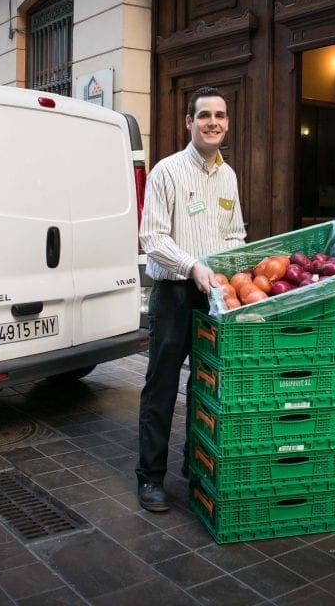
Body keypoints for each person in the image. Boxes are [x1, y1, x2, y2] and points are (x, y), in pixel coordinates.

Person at [135, 86, 246, 512]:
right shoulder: (167, 172)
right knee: (161, 386)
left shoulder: (228, 175)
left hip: (214, 294)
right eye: (204, 116)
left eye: (220, 115)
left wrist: (231, 271)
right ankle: (150, 478)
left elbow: (235, 232)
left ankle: (195, 467)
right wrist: (193, 267)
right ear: (189, 122)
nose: (213, 122)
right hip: (175, 294)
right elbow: (152, 239)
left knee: (207, 384)